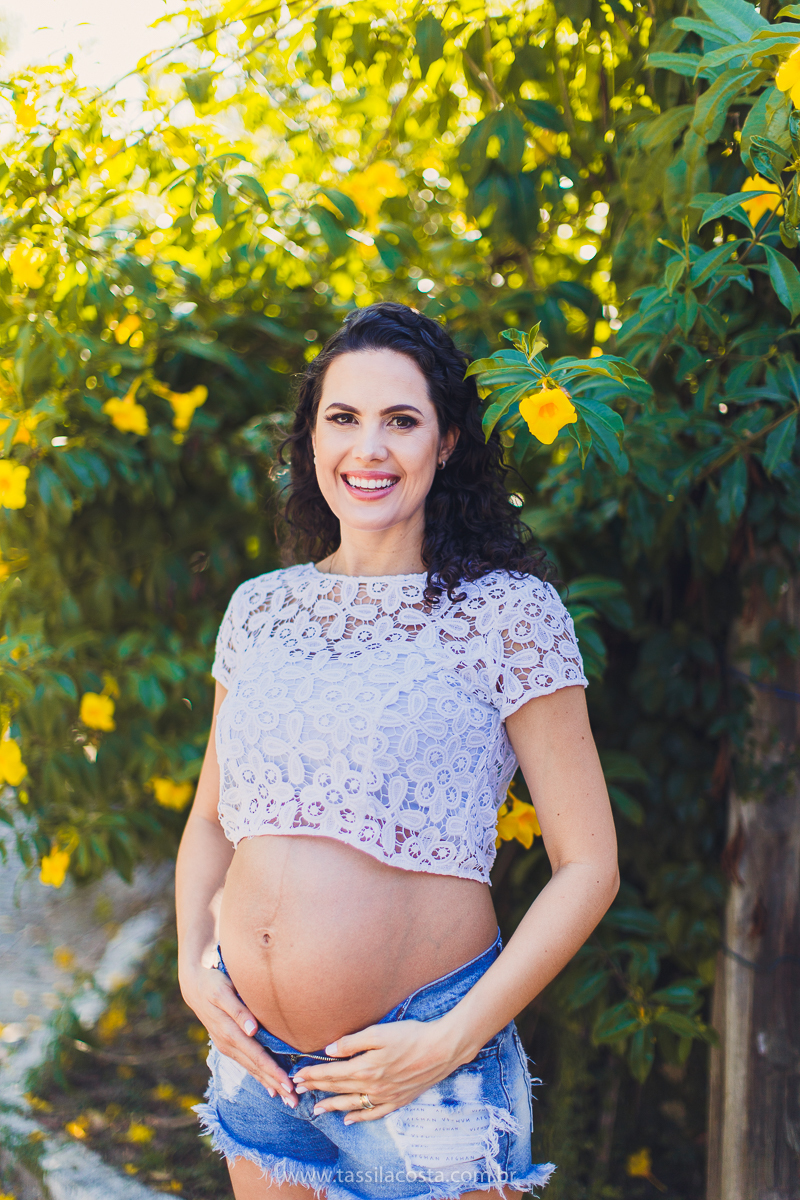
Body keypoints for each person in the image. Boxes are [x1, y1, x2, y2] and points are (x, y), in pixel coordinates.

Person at [176, 302, 619, 1200]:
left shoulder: (507, 615)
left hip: (424, 1068)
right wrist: (192, 971)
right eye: (342, 418)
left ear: (446, 441)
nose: (368, 449)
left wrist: (448, 1041)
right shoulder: (261, 608)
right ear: (310, 438)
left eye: (401, 421)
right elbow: (211, 821)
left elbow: (591, 866)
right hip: (257, 1061)